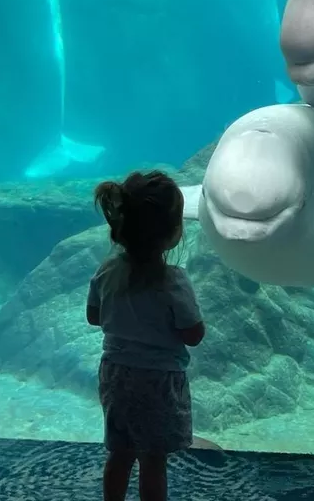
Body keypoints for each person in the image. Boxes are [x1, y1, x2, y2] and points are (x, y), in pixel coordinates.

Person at [86, 169, 206, 501]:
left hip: (115, 375)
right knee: (153, 460)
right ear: (172, 234)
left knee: (120, 453)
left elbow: (93, 317)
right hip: (158, 383)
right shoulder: (174, 281)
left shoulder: (106, 271)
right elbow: (193, 334)